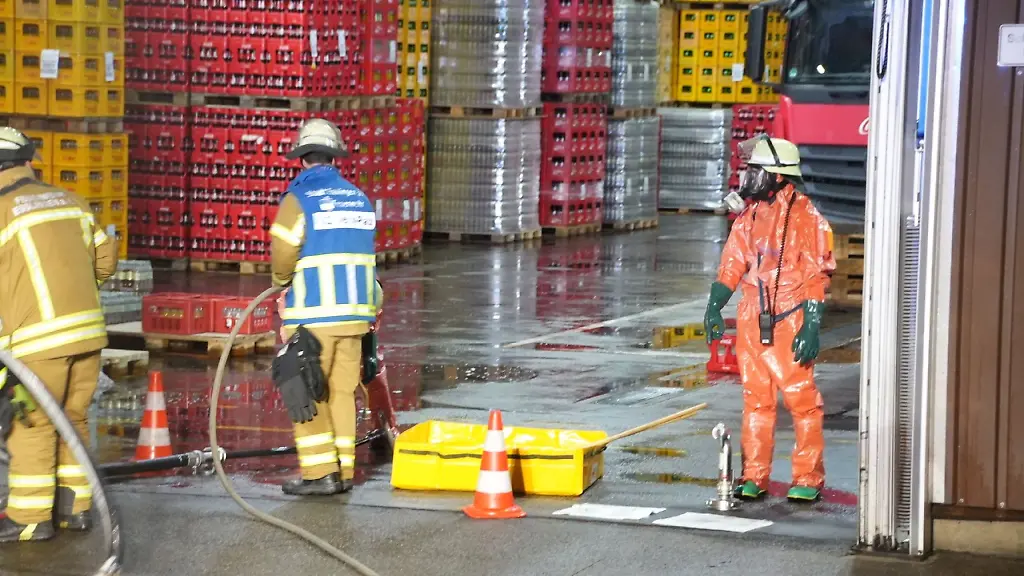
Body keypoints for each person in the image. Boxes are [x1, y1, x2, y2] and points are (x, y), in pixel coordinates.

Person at [0, 127, 119, 542]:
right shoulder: (72, 201)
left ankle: (30, 518)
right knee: (73, 419)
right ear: (27, 161)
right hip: (88, 335)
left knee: (31, 423)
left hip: (36, 342)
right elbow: (106, 259)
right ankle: (75, 508)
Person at [705, 135, 836, 502]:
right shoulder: (749, 217)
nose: (748, 176)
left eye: (755, 170)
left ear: (778, 176)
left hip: (790, 318)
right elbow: (732, 264)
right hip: (752, 319)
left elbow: (816, 275)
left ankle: (808, 476)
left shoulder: (807, 218)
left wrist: (811, 324)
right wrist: (714, 305)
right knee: (756, 402)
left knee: (802, 402)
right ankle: (754, 475)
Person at [269, 118, 380, 495]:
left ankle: (319, 474)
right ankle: (344, 472)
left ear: (302, 159)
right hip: (355, 318)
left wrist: (281, 281)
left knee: (302, 389)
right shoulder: (359, 199)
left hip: (314, 317)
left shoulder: (298, 200)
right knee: (341, 393)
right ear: (334, 157)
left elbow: (283, 253)